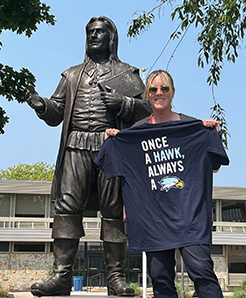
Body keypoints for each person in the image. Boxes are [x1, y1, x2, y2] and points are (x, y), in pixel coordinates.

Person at [25, 16, 152, 297]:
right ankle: (61, 276)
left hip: (111, 147)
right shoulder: (71, 75)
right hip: (75, 145)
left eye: (99, 32)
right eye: (90, 32)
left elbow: (147, 109)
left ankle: (116, 278)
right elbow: (57, 111)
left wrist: (123, 103)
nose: (94, 36)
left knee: (113, 210)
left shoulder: (126, 73)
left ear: (111, 38)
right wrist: (42, 105)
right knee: (67, 207)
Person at [96, 69, 230, 298]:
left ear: (172, 92)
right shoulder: (135, 133)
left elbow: (213, 165)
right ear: (147, 95)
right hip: (153, 221)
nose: (159, 93)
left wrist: (209, 133)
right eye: (154, 89)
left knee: (202, 274)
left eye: (164, 88)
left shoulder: (192, 126)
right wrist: (115, 140)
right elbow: (113, 165)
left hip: (190, 218)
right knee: (161, 281)